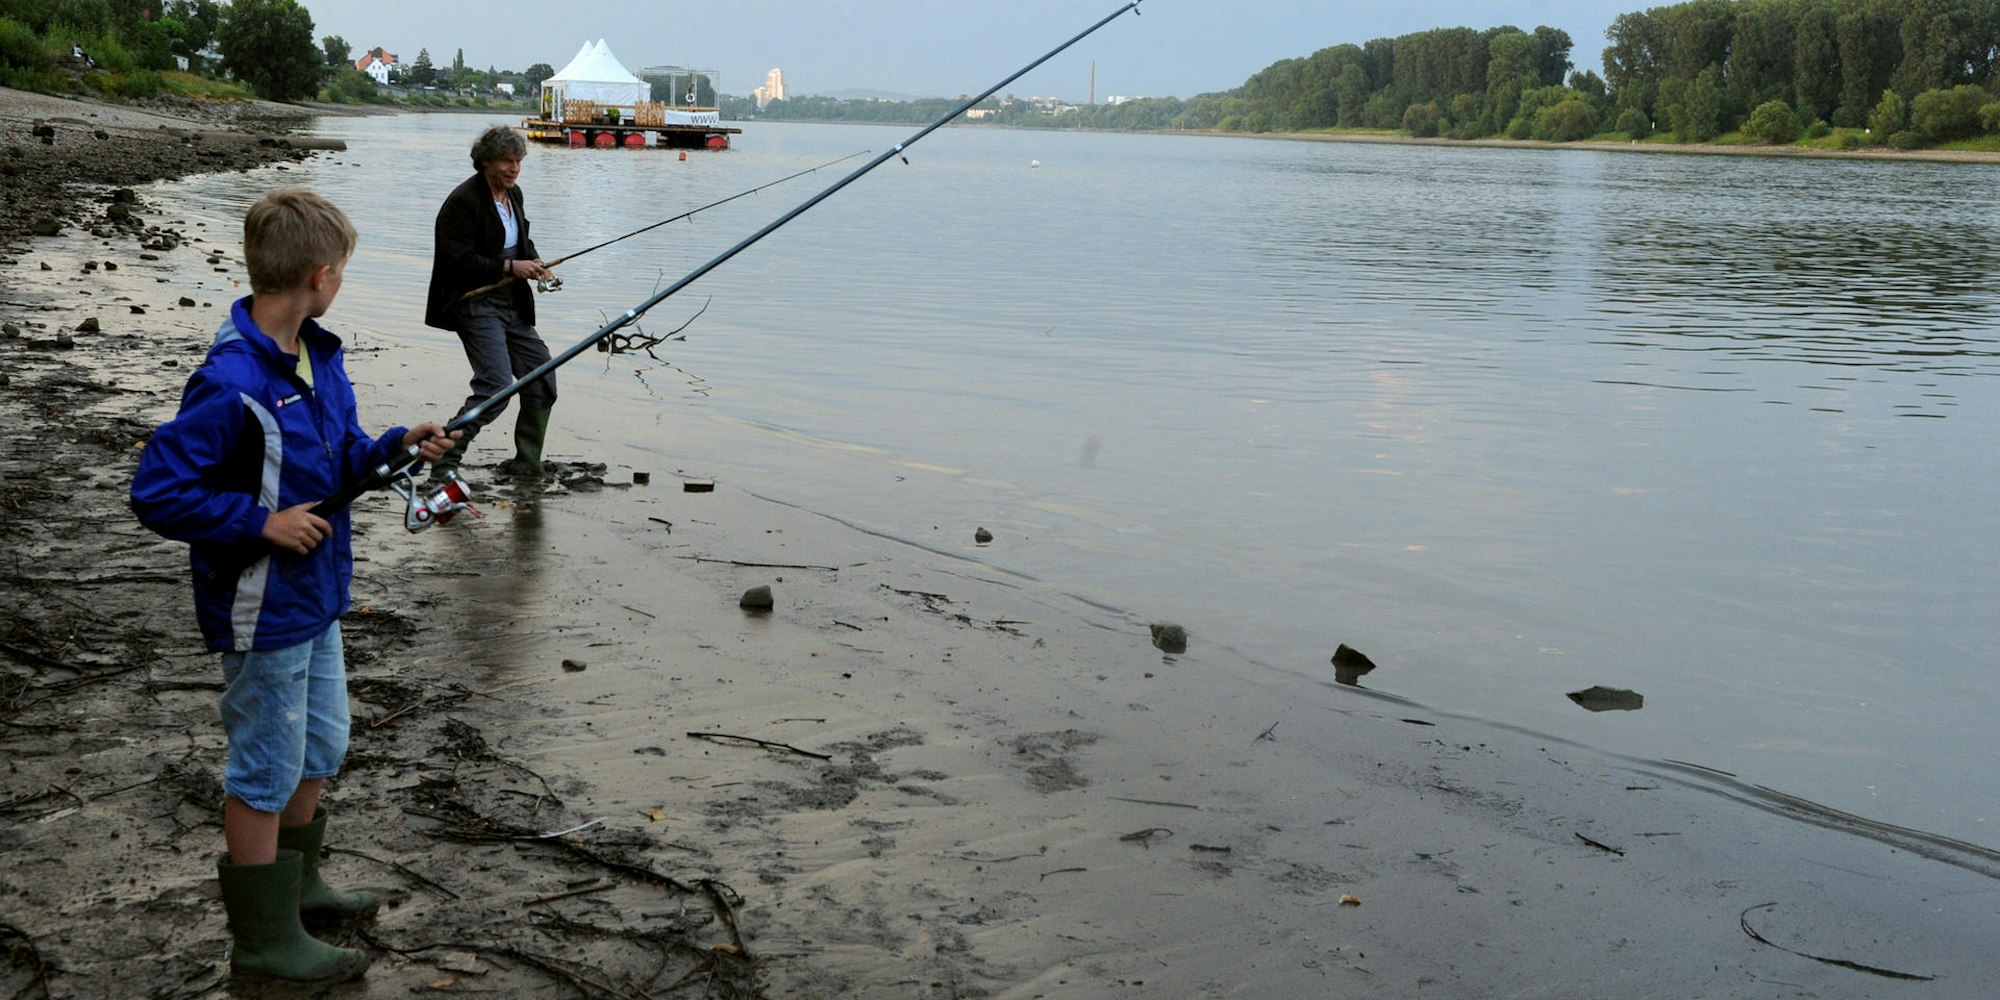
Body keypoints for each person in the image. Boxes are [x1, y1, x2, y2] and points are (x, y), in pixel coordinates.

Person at [131, 189, 456, 984]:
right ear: (320, 275)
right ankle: (264, 941)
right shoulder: (231, 381)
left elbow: (337, 452)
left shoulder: (318, 354)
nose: (341, 281)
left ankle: (300, 888)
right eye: (341, 270)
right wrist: (259, 523)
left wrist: (395, 446)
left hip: (318, 595)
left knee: (322, 743)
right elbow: (157, 490)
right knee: (266, 765)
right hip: (261, 606)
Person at [423, 124, 557, 484]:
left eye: (518, 161)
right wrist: (511, 266)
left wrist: (537, 264)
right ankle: (445, 459)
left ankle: (527, 463)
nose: (513, 168)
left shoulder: (514, 196)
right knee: (496, 386)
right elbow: (456, 261)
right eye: (505, 161)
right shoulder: (462, 203)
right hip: (474, 304)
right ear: (485, 161)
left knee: (542, 377)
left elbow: (523, 243)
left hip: (513, 302)